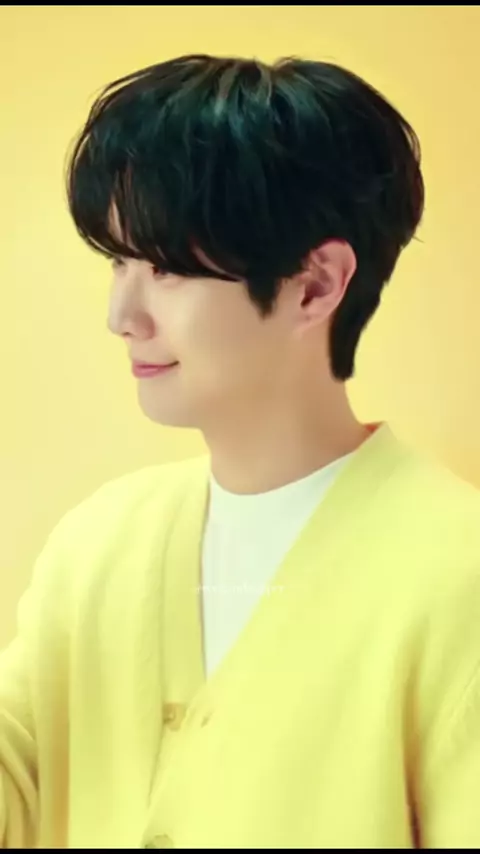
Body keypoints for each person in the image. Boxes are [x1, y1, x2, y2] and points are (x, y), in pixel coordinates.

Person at [1, 53, 479, 849]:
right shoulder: (97, 544)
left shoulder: (458, 574)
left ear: (315, 285)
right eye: (118, 260)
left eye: (165, 267)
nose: (122, 315)